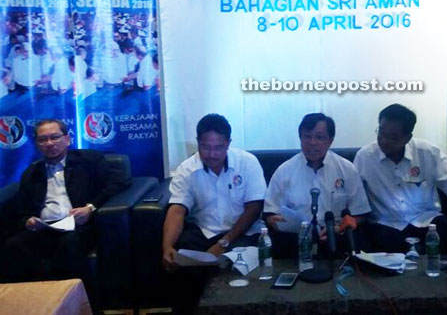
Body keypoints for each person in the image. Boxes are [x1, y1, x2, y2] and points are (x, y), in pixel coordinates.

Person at [0, 119, 130, 289]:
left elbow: (119, 182)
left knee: (69, 244)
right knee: (13, 246)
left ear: (67, 139)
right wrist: (27, 221)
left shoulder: (89, 160)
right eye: (43, 139)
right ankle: (29, 302)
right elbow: (22, 210)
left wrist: (90, 208)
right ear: (37, 144)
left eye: (54, 137)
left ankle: (78, 304)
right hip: (46, 229)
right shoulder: (32, 173)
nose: (49, 143)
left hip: (80, 227)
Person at [353, 104, 447, 254]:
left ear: (407, 137)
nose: (384, 140)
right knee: (381, 242)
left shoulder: (427, 152)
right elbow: (353, 193)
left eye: (392, 137)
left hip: (426, 220)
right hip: (386, 224)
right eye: (381, 132)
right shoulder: (365, 157)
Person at [161, 114, 266, 313]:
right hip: (204, 232)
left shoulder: (247, 163)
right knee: (181, 264)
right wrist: (167, 246)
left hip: (243, 233)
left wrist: (223, 243)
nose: (211, 154)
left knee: (237, 264)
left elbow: (253, 209)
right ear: (198, 143)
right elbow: (177, 210)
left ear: (228, 143)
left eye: (218, 147)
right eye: (205, 147)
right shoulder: (187, 170)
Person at [263, 113, 371, 258]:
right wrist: (274, 221)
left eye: (319, 137)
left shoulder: (347, 169)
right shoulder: (284, 171)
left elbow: (360, 213)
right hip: (296, 237)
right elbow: (270, 212)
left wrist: (340, 228)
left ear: (330, 140)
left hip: (336, 234)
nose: (312, 142)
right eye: (307, 136)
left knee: (357, 240)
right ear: (300, 138)